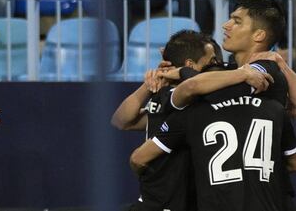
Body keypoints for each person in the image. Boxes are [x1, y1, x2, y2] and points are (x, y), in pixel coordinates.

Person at [130, 0, 296, 210]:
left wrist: (181, 73)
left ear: (259, 35)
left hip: (259, 195)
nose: (226, 25)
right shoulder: (231, 73)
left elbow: (190, 88)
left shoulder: (265, 70)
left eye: (237, 21)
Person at [112, 30, 270, 211]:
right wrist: (149, 84)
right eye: (211, 61)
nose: (215, 66)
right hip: (167, 203)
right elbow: (121, 121)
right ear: (190, 65)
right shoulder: (182, 99)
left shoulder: (170, 98)